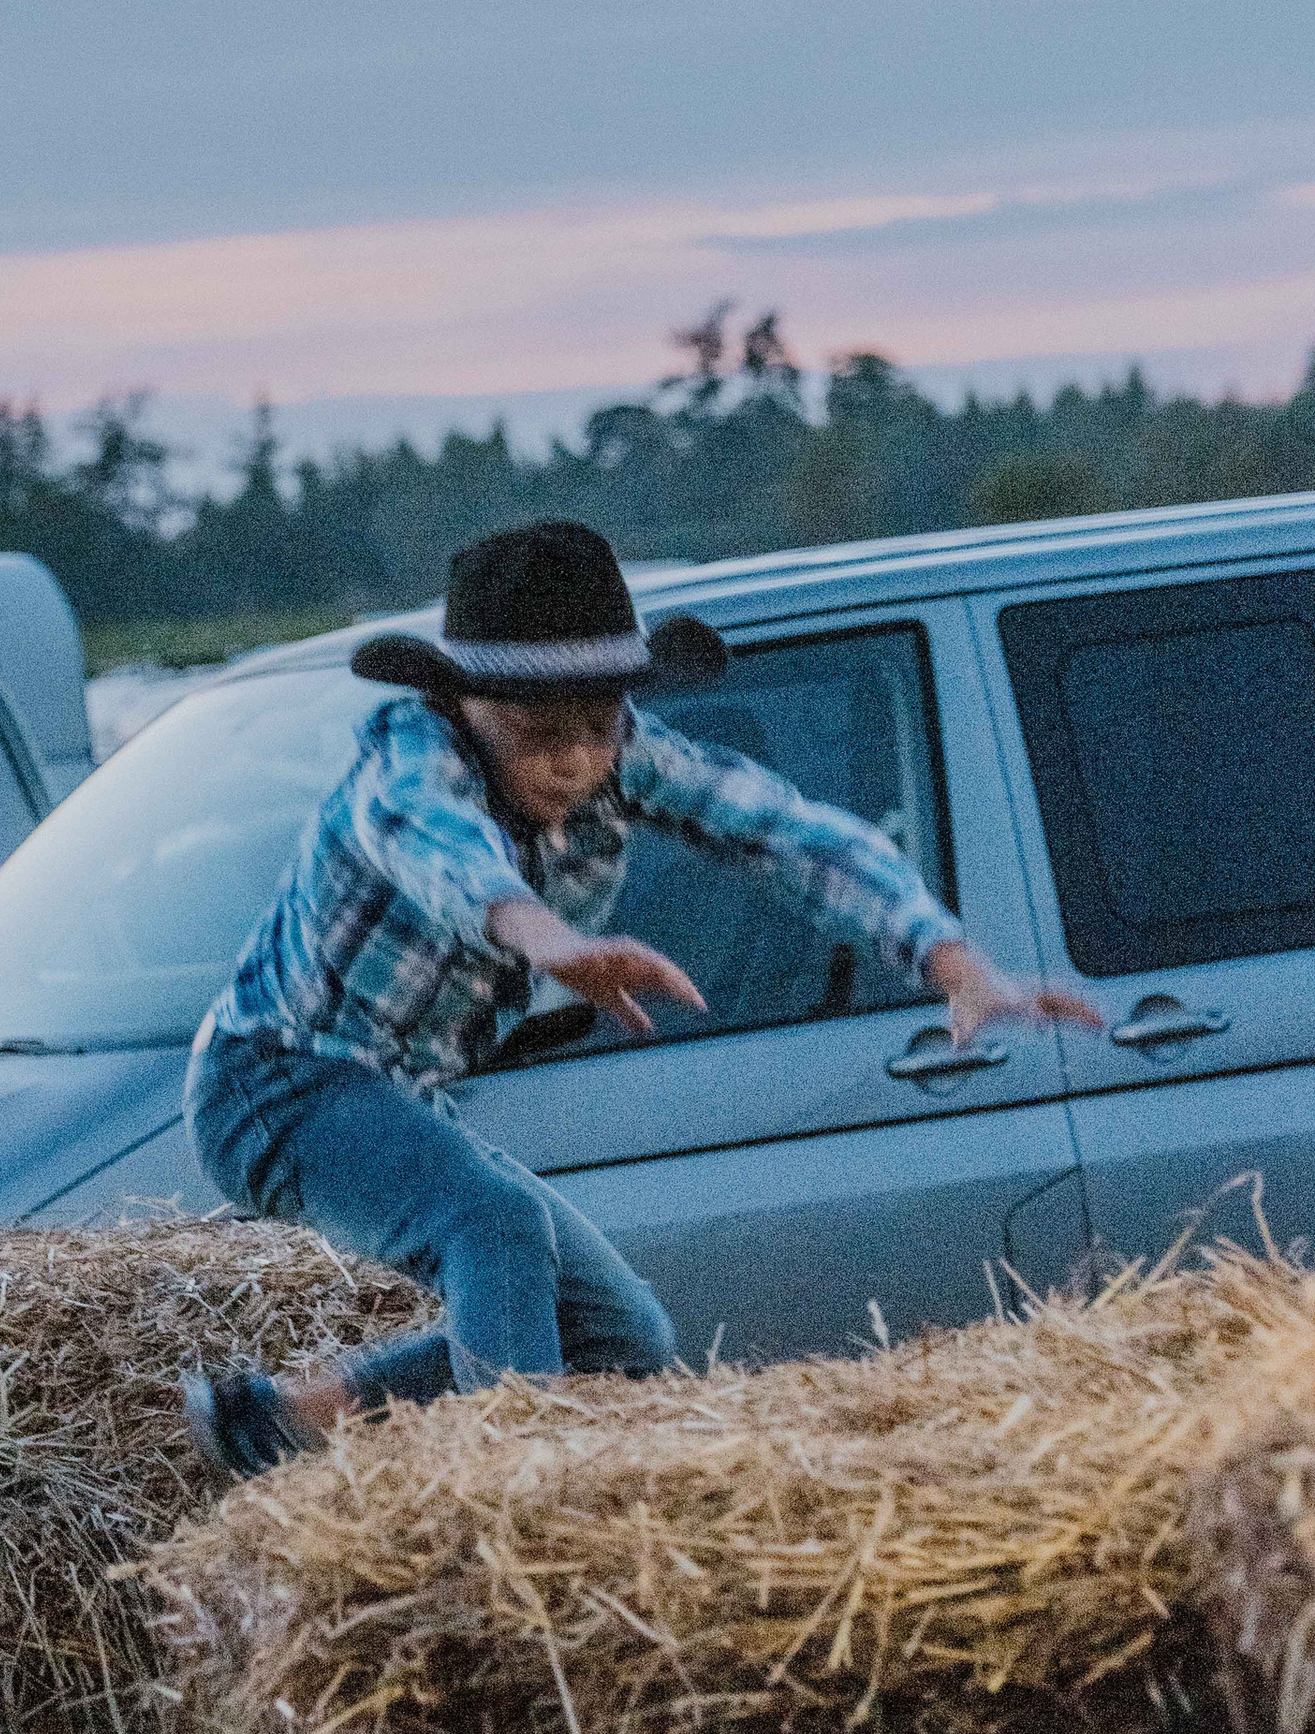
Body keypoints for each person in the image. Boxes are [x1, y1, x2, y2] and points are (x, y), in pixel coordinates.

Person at [181, 519, 1099, 1475]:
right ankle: (513, 1507)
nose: (574, 762)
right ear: (463, 702)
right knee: (491, 1224)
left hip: (398, 1092)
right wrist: (556, 942)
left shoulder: (621, 751)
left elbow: (789, 831)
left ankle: (283, 1421)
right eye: (538, 734)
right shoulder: (410, 757)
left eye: (598, 726)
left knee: (624, 1337)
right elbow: (442, 852)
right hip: (274, 1081)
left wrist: (947, 958)